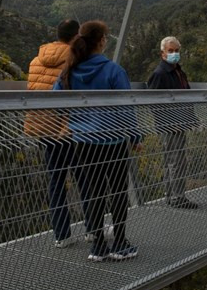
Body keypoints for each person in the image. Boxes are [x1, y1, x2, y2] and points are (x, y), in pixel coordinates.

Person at [54, 20, 141, 262]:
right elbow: (126, 109)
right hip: (112, 141)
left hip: (83, 141)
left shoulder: (70, 70)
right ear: (101, 40)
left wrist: (73, 121)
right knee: (118, 191)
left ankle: (98, 246)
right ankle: (120, 242)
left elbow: (54, 99)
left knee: (93, 192)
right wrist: (135, 136)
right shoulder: (113, 71)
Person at [25, 19, 80, 247]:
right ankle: (93, 230)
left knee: (55, 180)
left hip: (43, 128)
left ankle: (61, 235)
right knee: (84, 178)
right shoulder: (75, 59)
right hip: (68, 127)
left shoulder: (35, 60)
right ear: (76, 36)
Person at [147, 36, 197, 209]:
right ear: (163, 53)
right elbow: (153, 103)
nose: (174, 54)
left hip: (181, 122)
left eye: (176, 51)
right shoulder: (160, 74)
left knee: (175, 160)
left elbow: (187, 95)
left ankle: (172, 196)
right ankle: (177, 197)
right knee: (175, 161)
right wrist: (167, 123)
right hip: (171, 125)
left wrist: (192, 118)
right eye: (170, 51)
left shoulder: (178, 71)